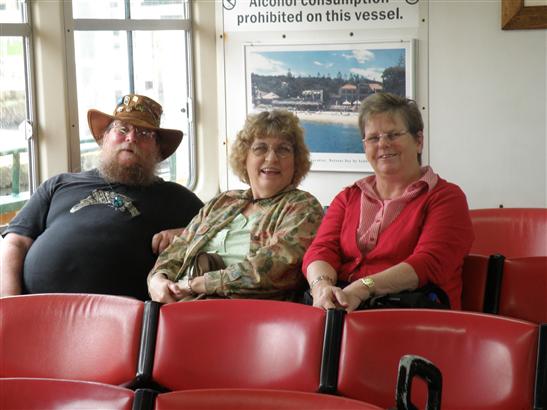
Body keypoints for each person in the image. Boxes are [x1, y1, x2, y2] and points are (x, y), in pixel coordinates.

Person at [1, 94, 203, 300]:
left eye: (144, 133)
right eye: (122, 129)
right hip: (31, 311)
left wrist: (187, 234)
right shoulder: (59, 184)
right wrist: (7, 306)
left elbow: (226, 233)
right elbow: (15, 242)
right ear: (105, 137)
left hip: (116, 320)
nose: (131, 138)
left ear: (157, 149)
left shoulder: (175, 197)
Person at [303, 93, 474, 311]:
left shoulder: (447, 198)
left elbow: (427, 264)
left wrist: (363, 287)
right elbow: (320, 250)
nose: (383, 144)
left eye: (393, 135)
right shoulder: (348, 197)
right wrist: (322, 288)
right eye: (373, 138)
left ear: (418, 141)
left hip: (415, 320)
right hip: (342, 311)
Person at [148, 109, 323, 303]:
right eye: (260, 148)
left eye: (283, 149)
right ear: (244, 158)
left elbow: (273, 268)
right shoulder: (224, 201)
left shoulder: (303, 206)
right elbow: (180, 247)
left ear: (296, 162)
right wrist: (157, 279)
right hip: (180, 302)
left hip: (242, 314)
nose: (272, 158)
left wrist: (197, 284)